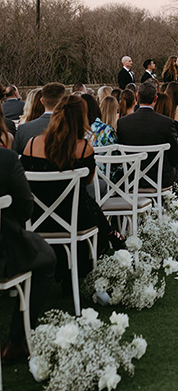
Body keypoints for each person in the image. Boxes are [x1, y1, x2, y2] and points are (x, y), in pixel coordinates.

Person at [21, 96, 120, 260]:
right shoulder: (83, 148)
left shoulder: (31, 144)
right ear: (82, 118)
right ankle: (109, 235)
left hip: (36, 218)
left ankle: (110, 233)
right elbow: (88, 181)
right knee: (86, 200)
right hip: (72, 217)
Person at [0, 148, 57, 364]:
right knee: (47, 258)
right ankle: (15, 341)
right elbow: (25, 208)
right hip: (4, 252)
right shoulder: (5, 158)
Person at [117, 82, 178, 189]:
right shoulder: (166, 123)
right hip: (161, 178)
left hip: (132, 179)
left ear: (137, 96)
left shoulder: (123, 123)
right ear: (155, 98)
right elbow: (175, 156)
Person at [13, 83, 66, 155]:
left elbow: (17, 156)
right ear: (64, 102)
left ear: (42, 101)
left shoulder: (23, 129)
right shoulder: (73, 126)